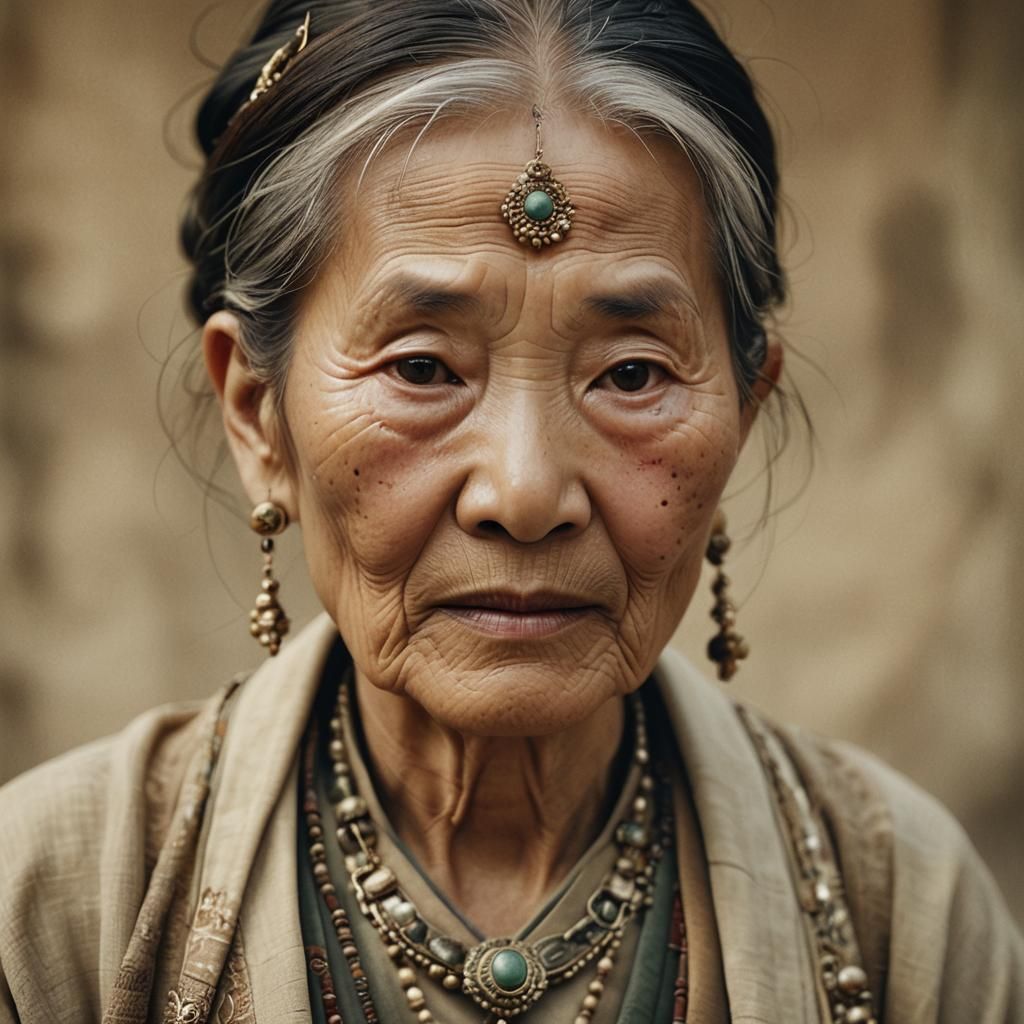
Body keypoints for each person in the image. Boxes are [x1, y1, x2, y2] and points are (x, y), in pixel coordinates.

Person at [1, 1, 1021, 1022]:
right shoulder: (57, 905)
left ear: (743, 413)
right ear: (258, 415)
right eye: (421, 368)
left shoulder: (903, 915)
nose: (525, 493)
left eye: (630, 373)